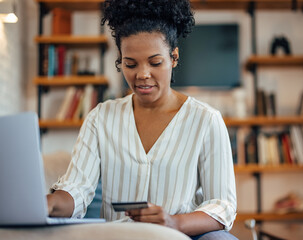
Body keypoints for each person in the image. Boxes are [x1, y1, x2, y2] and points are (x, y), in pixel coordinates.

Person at [47, 0, 237, 239]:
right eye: (130, 64)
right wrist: (50, 203)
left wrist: (174, 223)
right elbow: (76, 190)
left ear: (174, 57)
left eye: (155, 62)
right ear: (120, 61)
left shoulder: (206, 120)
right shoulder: (101, 118)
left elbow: (222, 205)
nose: (142, 74)